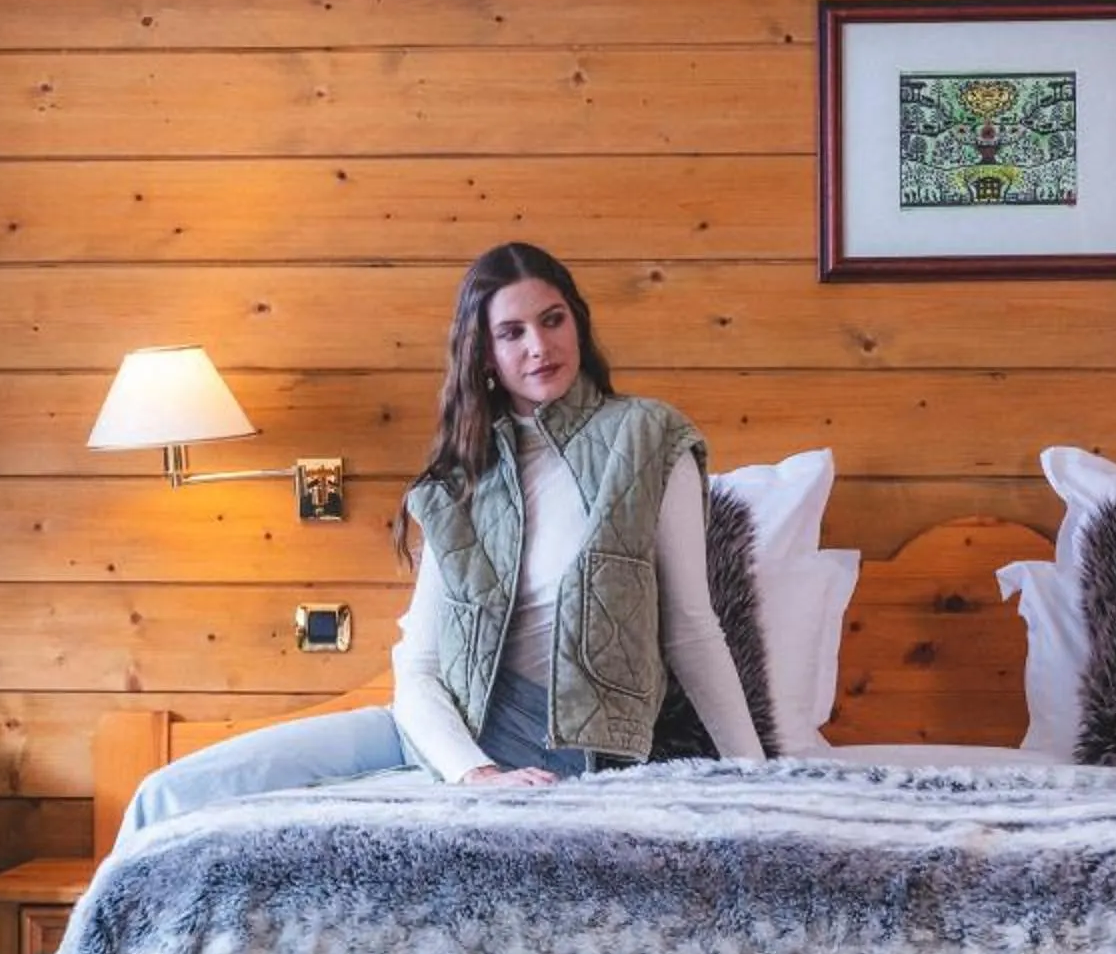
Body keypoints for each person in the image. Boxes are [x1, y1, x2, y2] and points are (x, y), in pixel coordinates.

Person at [117, 242, 767, 832]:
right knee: (166, 793)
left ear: (578, 322)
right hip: (429, 733)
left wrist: (760, 778)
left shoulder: (648, 439)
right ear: (484, 354)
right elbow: (421, 666)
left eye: (552, 319)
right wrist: (472, 772)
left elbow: (690, 628)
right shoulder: (466, 476)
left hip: (553, 748)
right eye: (511, 333)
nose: (538, 346)